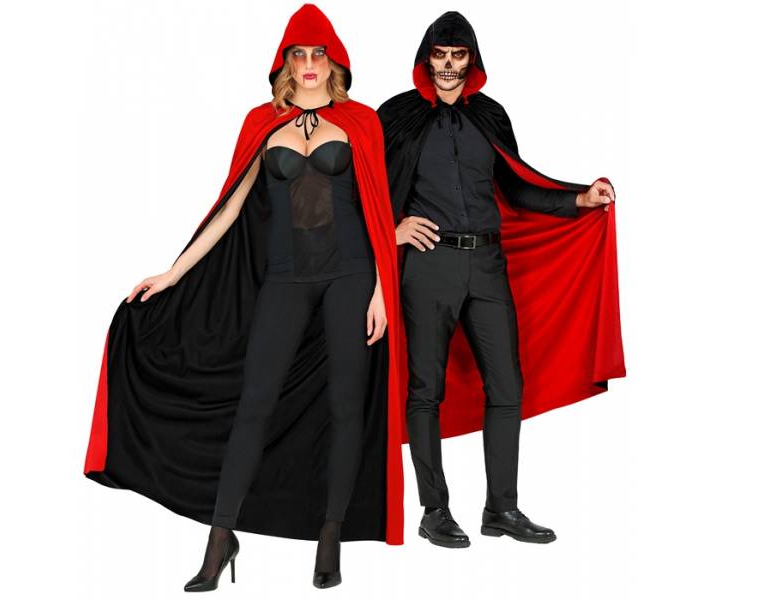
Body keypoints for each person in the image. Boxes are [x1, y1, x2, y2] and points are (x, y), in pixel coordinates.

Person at [83, 3, 405, 591]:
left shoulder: (361, 121)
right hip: (284, 278)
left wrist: (384, 289)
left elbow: (378, 208)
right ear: (285, 64)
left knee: (345, 406)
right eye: (298, 55)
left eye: (318, 54)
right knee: (253, 405)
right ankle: (219, 538)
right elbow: (230, 205)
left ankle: (330, 535)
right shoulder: (262, 121)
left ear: (334, 62)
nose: (308, 64)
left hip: (351, 274)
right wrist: (173, 273)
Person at [377, 11, 626, 549]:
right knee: (425, 389)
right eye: (440, 55)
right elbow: (366, 187)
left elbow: (516, 188)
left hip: (488, 264)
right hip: (429, 264)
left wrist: (579, 198)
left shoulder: (490, 115)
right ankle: (435, 510)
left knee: (507, 386)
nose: (448, 66)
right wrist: (390, 229)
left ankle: (501, 509)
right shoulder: (395, 115)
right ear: (426, 59)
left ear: (472, 59)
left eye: (458, 55)